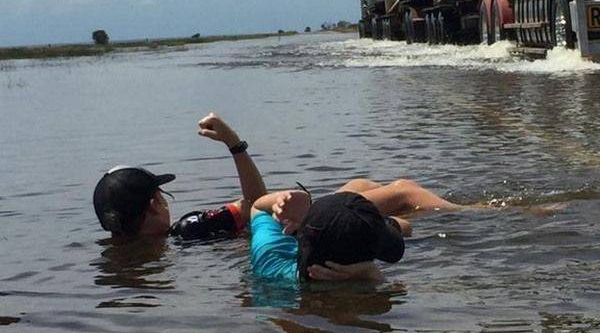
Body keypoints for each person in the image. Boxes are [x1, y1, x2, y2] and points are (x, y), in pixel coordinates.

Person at [93, 113, 266, 242]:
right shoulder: (188, 230)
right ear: (155, 204)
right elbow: (256, 205)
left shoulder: (115, 255)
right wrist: (234, 144)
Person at [250, 178, 460, 283]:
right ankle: (472, 212)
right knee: (402, 191)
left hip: (312, 222)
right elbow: (405, 228)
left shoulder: (272, 259)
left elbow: (257, 206)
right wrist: (371, 273)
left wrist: (283, 200)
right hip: (314, 222)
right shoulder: (358, 282)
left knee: (360, 184)